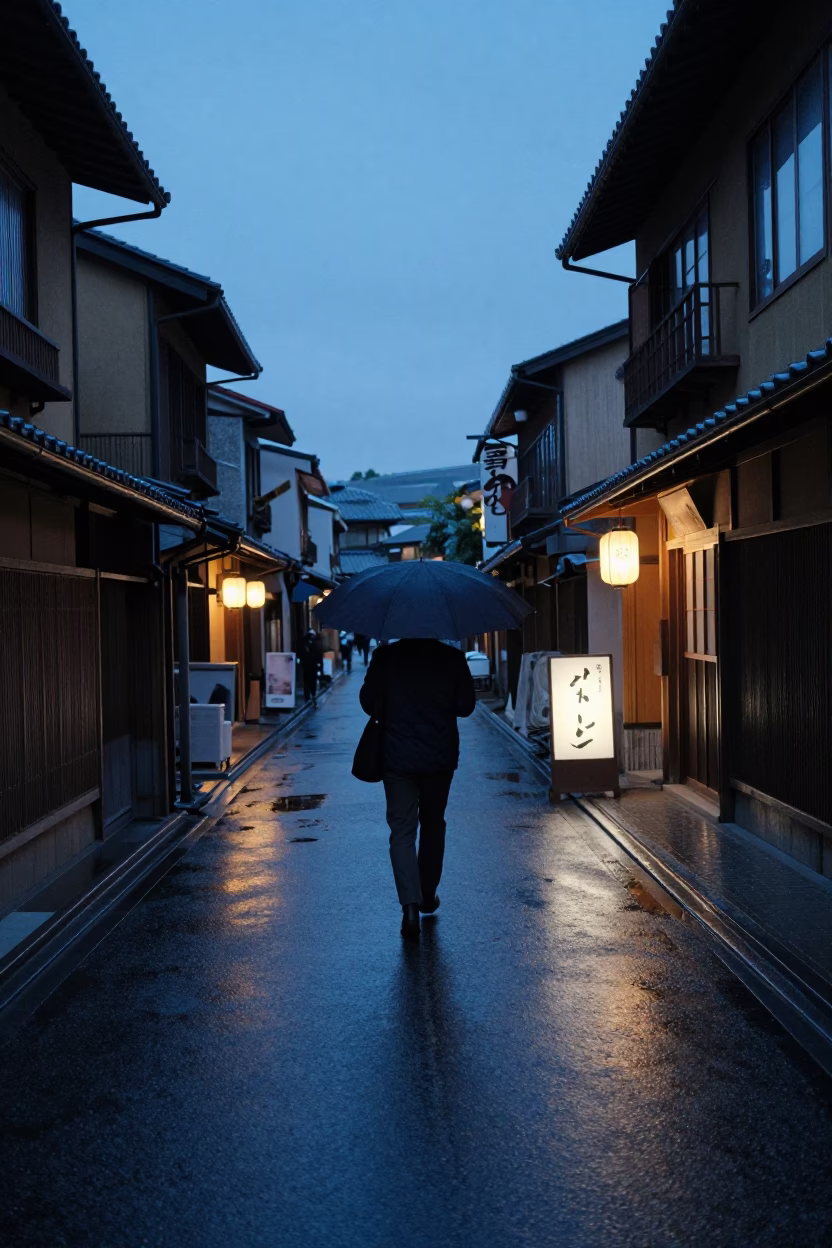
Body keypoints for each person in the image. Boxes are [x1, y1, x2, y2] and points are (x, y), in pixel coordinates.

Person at [359, 638, 476, 938]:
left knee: (402, 830)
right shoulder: (451, 657)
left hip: (396, 758)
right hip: (439, 758)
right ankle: (427, 894)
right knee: (433, 824)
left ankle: (409, 906)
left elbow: (367, 702)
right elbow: (466, 706)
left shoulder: (385, 656)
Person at [298, 628, 324, 707]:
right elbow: (319, 656)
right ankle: (312, 694)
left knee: (307, 681)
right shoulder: (315, 644)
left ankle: (308, 696)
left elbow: (300, 655)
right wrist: (320, 666)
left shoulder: (303, 644)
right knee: (312, 681)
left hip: (307, 666)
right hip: (313, 666)